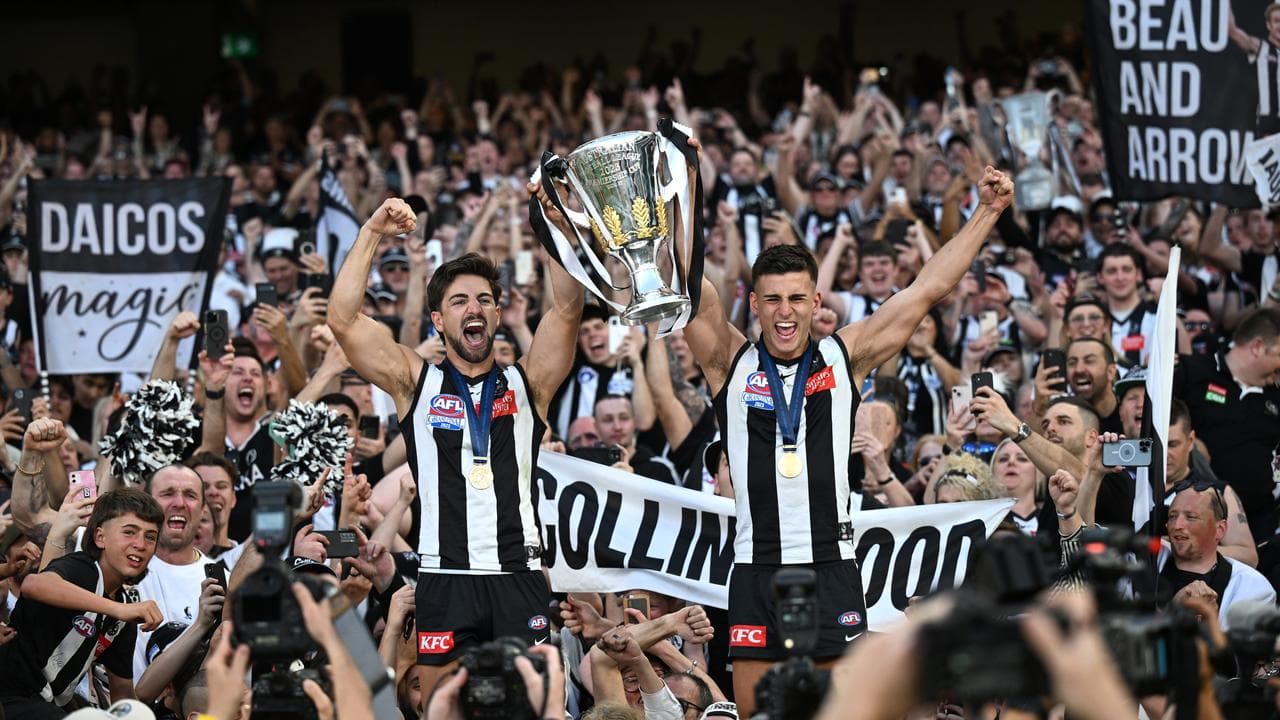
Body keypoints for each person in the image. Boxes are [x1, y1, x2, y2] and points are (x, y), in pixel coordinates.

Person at [682, 158, 1013, 714]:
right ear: (755, 303)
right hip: (755, 568)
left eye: (796, 299)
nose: (785, 313)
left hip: (831, 567)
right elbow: (689, 287)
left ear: (817, 302)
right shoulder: (728, 361)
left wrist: (988, 211)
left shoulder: (844, 357)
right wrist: (685, 181)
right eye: (773, 300)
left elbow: (926, 288)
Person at [327, 196, 583, 692]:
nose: (475, 309)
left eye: (485, 300)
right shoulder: (413, 382)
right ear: (438, 321)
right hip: (446, 576)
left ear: (497, 314)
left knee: (528, 705)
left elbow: (567, 311)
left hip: (518, 574)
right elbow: (343, 321)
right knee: (443, 705)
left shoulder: (527, 384)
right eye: (460, 301)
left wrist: (555, 228)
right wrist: (373, 232)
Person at [0, 488, 164, 718]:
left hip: (47, 704)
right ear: (100, 537)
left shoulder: (124, 611)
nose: (140, 544)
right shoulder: (84, 568)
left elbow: (122, 692)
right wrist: (119, 609)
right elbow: (34, 585)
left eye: (150, 536)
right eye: (129, 532)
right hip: (10, 694)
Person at [1173, 307, 1280, 541]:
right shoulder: (1192, 371)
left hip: (1261, 520)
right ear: (1257, 347)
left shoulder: (1276, 395)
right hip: (1194, 515)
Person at [1158, 481, 1275, 630]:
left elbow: (1246, 651)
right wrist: (1172, 609)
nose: (1177, 525)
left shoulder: (1251, 587)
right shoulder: (1145, 565)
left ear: (1220, 529)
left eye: (1191, 517)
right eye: (1172, 516)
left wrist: (1210, 622)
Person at [1228, 2, 1280, 136]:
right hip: (1269, 122)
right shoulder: (1261, 48)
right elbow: (1232, 30)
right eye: (1276, 21)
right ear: (1268, 25)